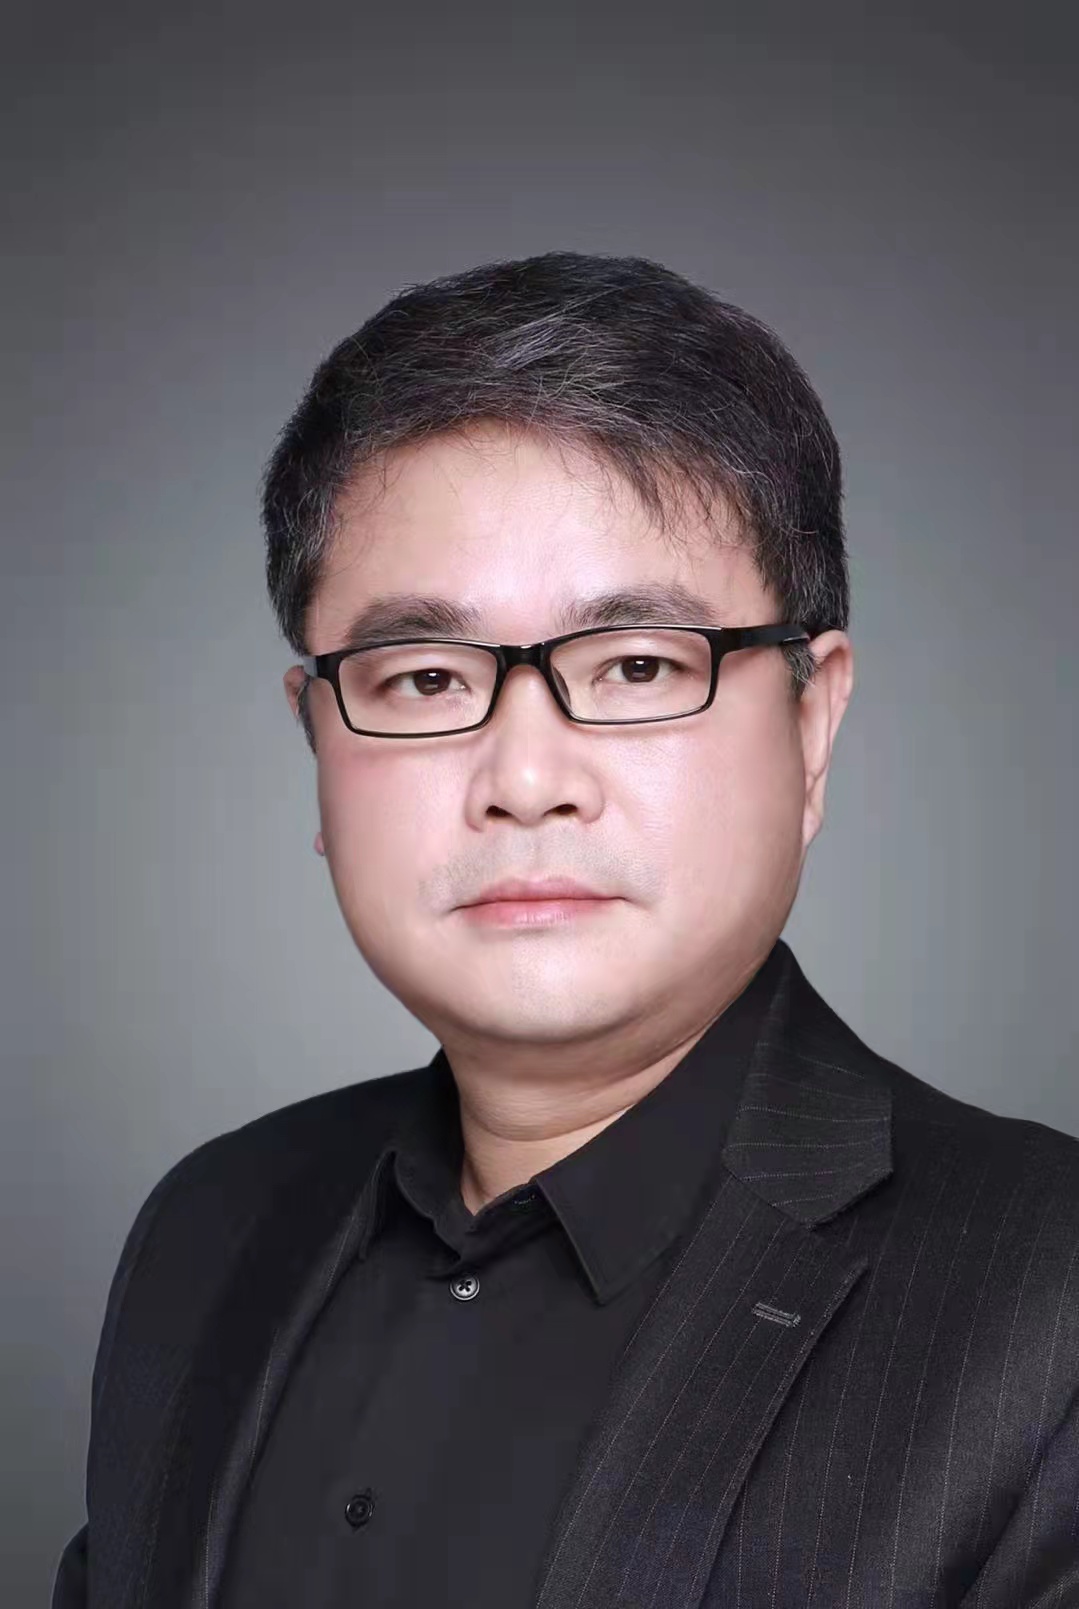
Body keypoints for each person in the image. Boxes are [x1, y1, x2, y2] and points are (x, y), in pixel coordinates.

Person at [53, 252, 1079, 1609]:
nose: (526, 778)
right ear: (317, 741)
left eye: (637, 666)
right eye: (425, 678)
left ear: (812, 722)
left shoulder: (1045, 1299)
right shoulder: (209, 1229)